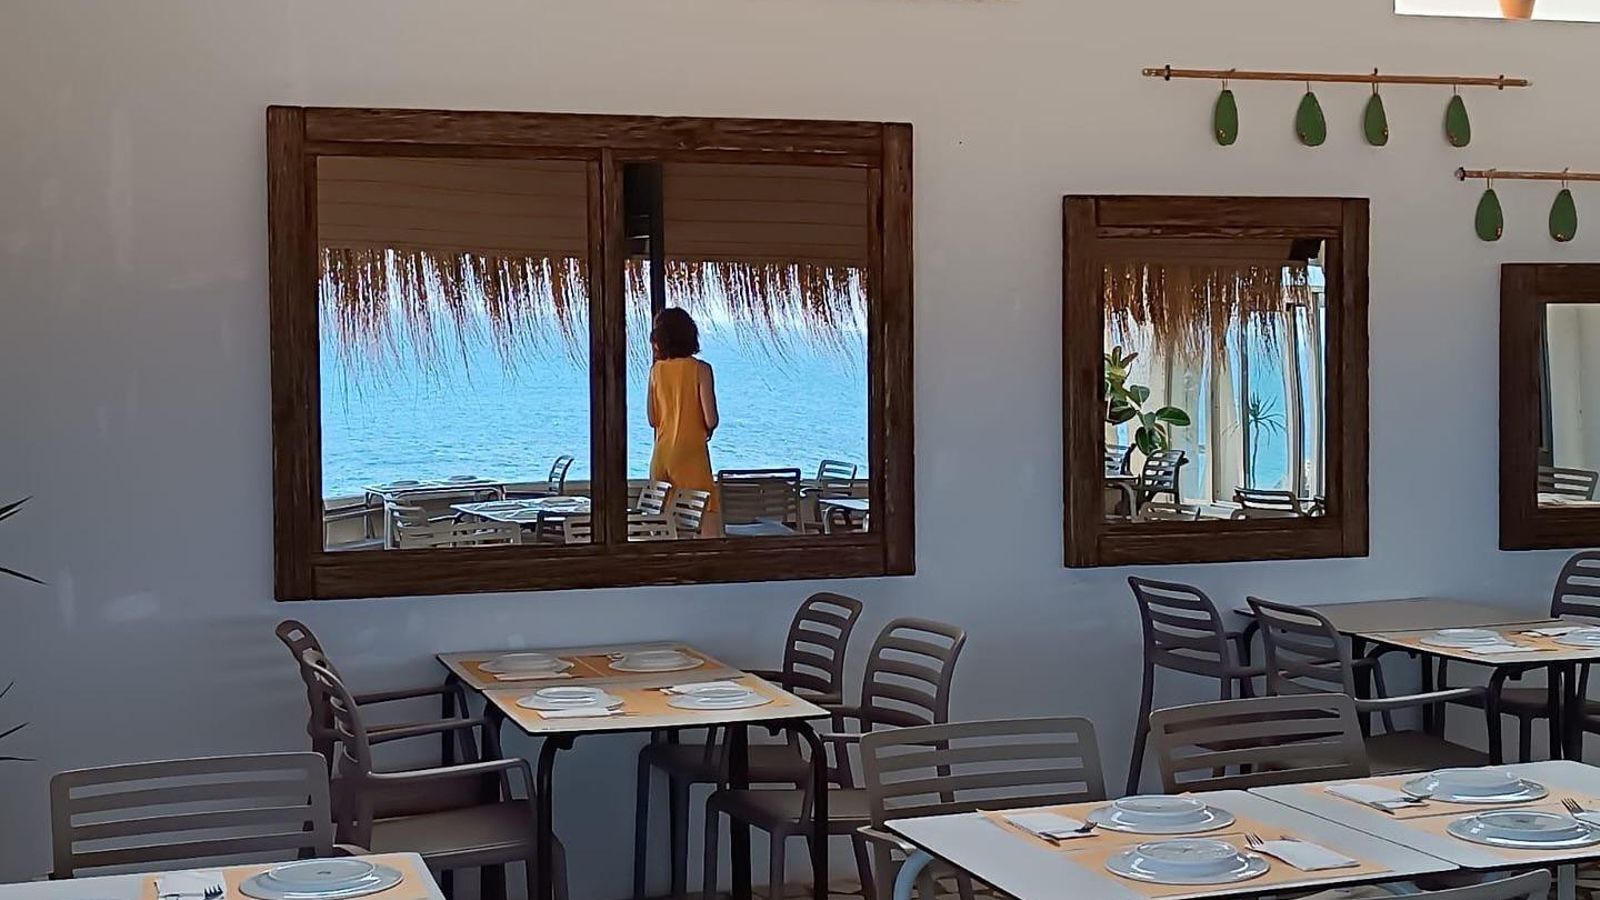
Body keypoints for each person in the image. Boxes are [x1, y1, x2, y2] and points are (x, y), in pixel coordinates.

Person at [647, 308, 720, 535]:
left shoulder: (656, 371)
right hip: (690, 455)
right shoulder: (701, 369)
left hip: (662, 454)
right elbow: (711, 417)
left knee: (667, 527)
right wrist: (708, 428)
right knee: (705, 522)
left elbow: (652, 418)